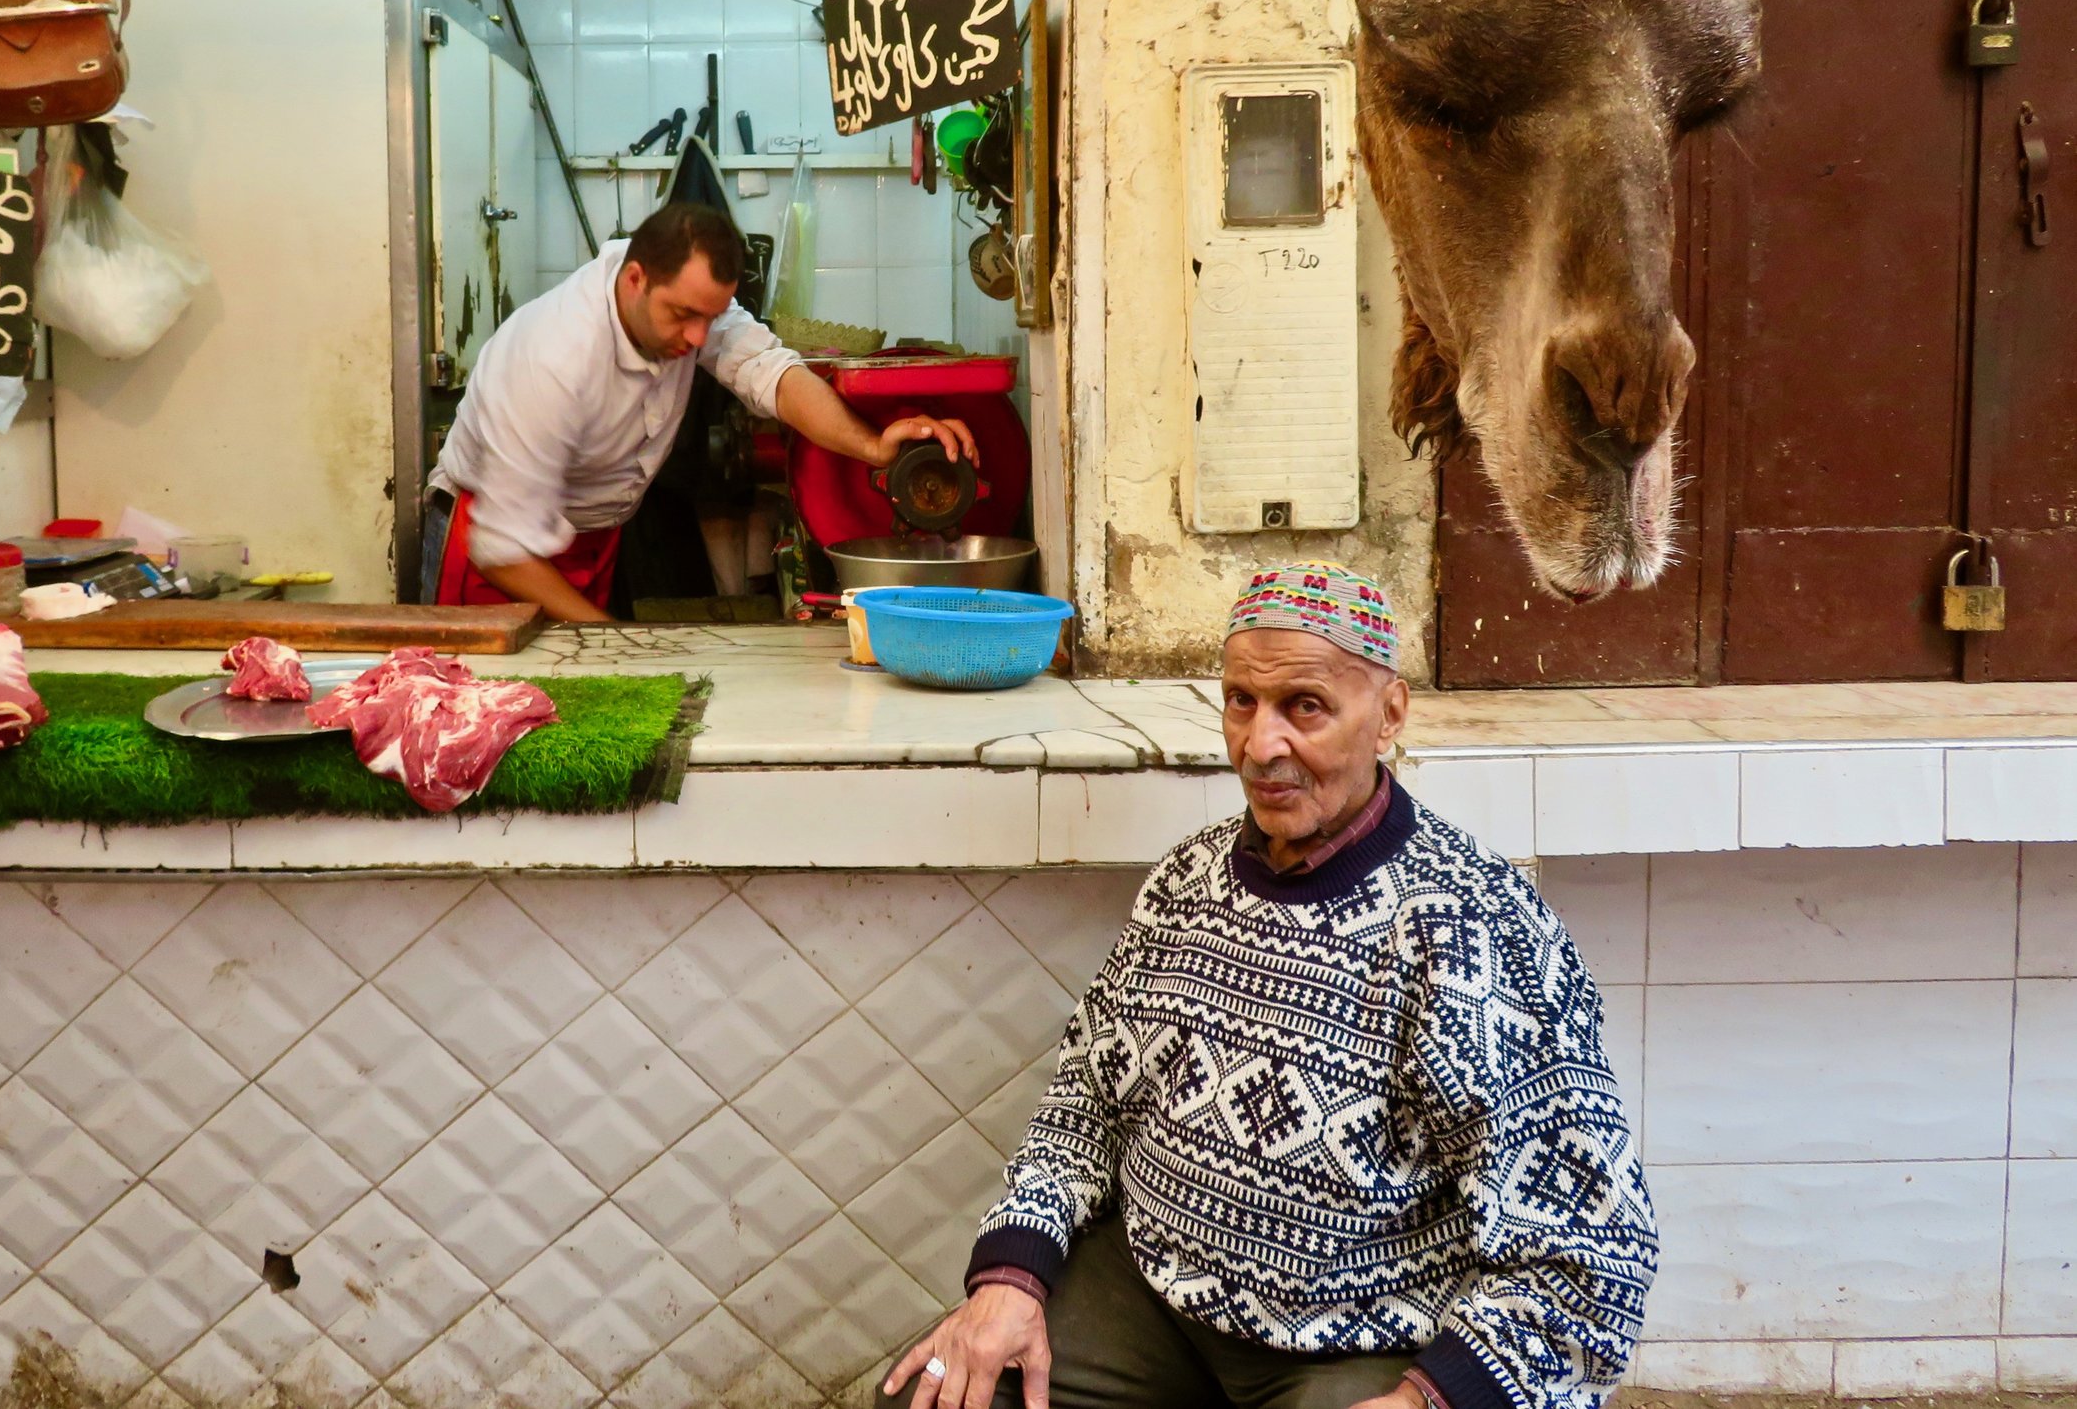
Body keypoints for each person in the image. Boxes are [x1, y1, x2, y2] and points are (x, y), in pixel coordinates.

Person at [885, 562, 1655, 1409]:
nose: (1260, 746)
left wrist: (1425, 1401)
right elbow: (1084, 1104)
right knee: (930, 1399)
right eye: (1241, 701)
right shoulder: (1188, 878)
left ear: (1389, 714)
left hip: (1361, 1345)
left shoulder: (1473, 925)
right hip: (1153, 1304)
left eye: (1305, 706)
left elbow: (1594, 1247)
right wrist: (1012, 1280)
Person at [423, 201, 976, 622]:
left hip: (585, 540)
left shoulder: (690, 307)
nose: (697, 337)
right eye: (683, 315)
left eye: (711, 318)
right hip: (491, 552)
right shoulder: (551, 359)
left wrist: (873, 445)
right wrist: (617, 640)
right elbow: (501, 548)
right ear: (635, 278)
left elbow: (771, 374)